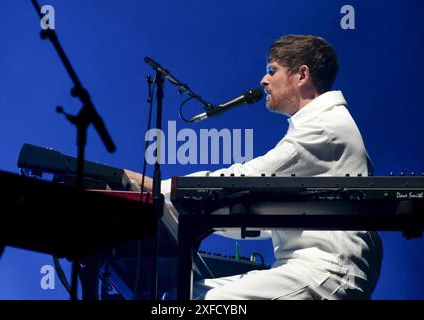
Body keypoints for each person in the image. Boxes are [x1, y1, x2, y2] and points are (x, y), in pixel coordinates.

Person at [126, 34, 383, 300]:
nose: (263, 80)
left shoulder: (323, 128)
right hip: (313, 267)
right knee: (183, 295)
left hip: (329, 270)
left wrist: (157, 188)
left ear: (302, 75)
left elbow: (244, 179)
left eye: (272, 70)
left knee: (205, 302)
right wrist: (192, 216)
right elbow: (263, 215)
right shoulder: (317, 126)